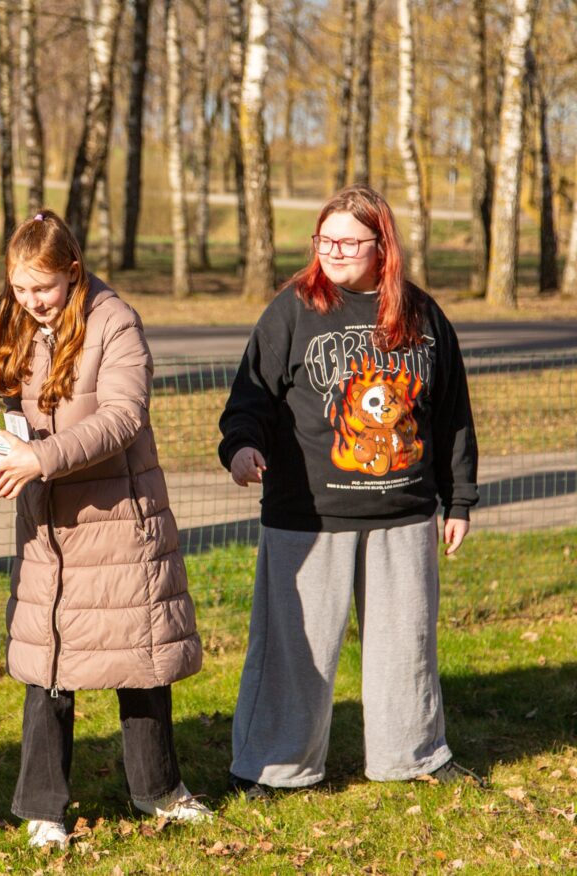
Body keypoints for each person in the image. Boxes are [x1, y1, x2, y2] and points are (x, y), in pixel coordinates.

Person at [218, 184, 480, 799]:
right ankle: (275, 768)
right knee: (293, 650)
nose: (333, 251)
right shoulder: (292, 310)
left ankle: (412, 755)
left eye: (348, 241)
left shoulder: (422, 316)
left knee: (405, 645)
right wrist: (241, 447)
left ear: (381, 245)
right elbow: (250, 396)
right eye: (324, 239)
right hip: (308, 515)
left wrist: (459, 498)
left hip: (405, 511)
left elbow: (452, 416)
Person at [0, 210, 211, 850]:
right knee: (47, 658)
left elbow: (122, 418)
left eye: (44, 290)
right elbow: (12, 404)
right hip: (48, 523)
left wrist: (41, 457)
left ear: (73, 273)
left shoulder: (115, 322)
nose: (32, 303)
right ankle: (42, 807)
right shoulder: (21, 319)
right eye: (21, 290)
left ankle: (160, 791)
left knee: (139, 657)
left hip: (118, 521)